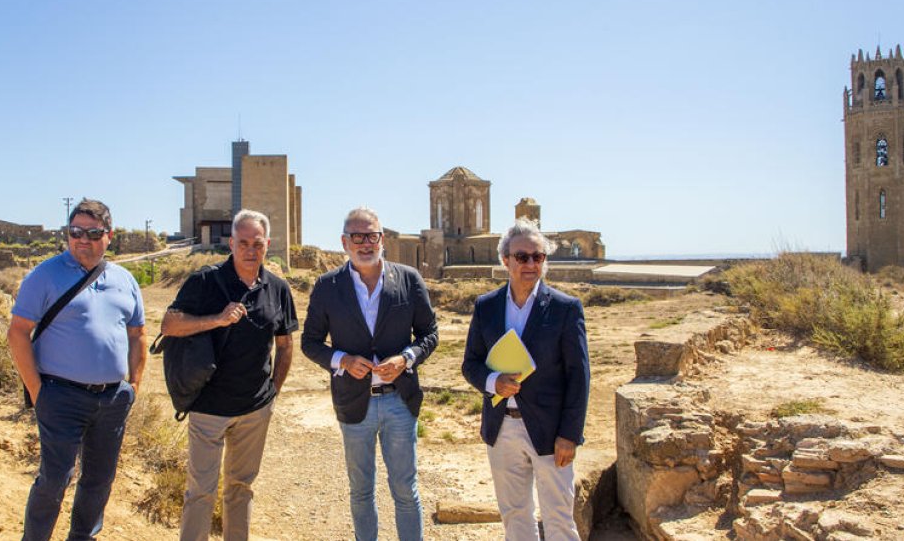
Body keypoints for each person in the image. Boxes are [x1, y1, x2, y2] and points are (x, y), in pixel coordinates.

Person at [7, 198, 147, 541]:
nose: (82, 239)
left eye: (92, 232)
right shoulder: (45, 275)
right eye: (75, 232)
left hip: (113, 399)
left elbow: (138, 334)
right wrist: (38, 391)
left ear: (108, 235)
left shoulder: (124, 279)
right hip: (60, 396)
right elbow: (18, 333)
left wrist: (134, 386)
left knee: (99, 480)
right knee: (55, 479)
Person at [301, 207, 439, 541]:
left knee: (406, 491)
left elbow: (429, 334)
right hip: (353, 403)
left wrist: (406, 358)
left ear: (382, 239)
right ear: (344, 242)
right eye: (358, 237)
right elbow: (310, 342)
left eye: (372, 236)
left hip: (399, 403)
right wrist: (343, 360)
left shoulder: (408, 279)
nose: (366, 243)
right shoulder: (327, 286)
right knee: (361, 492)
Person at [162, 209, 297, 541]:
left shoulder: (277, 288)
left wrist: (271, 395)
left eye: (258, 244)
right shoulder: (205, 281)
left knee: (240, 489)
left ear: (267, 245)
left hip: (254, 410)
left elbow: (285, 343)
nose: (251, 251)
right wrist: (217, 319)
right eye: (244, 243)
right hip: (209, 408)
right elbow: (169, 325)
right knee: (200, 491)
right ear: (231, 243)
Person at [461, 220, 590, 541]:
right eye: (522, 257)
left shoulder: (565, 308)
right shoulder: (486, 306)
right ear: (505, 260)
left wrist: (570, 435)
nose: (531, 264)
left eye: (538, 257)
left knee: (559, 519)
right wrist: (493, 382)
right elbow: (470, 364)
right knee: (515, 517)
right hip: (501, 426)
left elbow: (579, 375)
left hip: (551, 431)